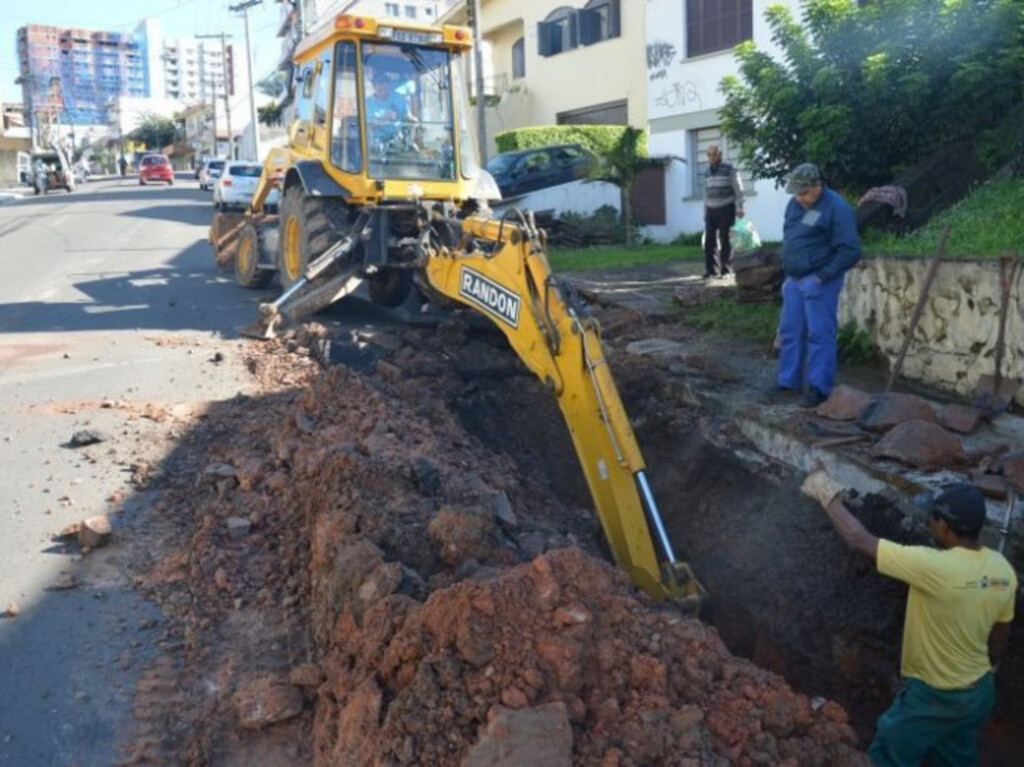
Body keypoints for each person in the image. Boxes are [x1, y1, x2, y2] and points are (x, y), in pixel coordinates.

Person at [802, 472, 1016, 767]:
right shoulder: (1003, 569)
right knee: (954, 757)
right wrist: (990, 664)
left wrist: (827, 496)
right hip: (978, 695)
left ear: (944, 525)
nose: (929, 523)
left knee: (889, 752)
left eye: (932, 517)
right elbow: (1001, 632)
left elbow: (858, 540)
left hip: (935, 697)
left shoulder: (933, 566)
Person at [777, 162, 861, 408]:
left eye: (804, 193)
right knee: (791, 332)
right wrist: (789, 275)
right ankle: (788, 382)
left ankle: (818, 388)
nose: (800, 198)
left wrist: (822, 277)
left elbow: (850, 250)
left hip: (820, 280)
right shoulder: (795, 204)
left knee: (819, 334)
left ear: (818, 186)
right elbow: (791, 238)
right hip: (794, 280)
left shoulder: (837, 208)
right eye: (796, 193)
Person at [702, 144, 744, 279]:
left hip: (726, 207)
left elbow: (738, 188)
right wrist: (704, 211)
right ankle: (711, 270)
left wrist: (740, 207)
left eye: (714, 154)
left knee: (725, 239)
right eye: (709, 155)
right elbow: (705, 193)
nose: (711, 157)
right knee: (709, 240)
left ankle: (726, 270)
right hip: (711, 209)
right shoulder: (707, 170)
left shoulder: (729, 168)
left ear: (719, 155)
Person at [365, 72, 411, 146]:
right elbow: (366, 128)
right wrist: (382, 119)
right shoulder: (367, 103)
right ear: (374, 88)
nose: (383, 92)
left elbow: (407, 116)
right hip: (377, 144)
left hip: (398, 141)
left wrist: (412, 120)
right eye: (380, 90)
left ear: (389, 86)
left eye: (386, 89)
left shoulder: (398, 98)